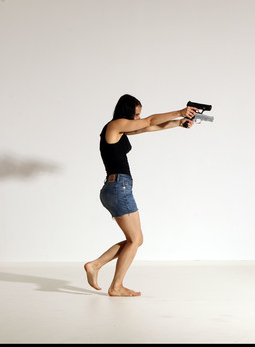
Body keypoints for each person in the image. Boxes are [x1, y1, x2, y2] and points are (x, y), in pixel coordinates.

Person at [84, 94, 197, 297]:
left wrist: (179, 122)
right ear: (126, 112)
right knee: (135, 240)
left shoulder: (120, 130)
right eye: (135, 115)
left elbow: (151, 127)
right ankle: (115, 286)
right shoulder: (116, 124)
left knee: (135, 239)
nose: (138, 119)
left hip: (116, 187)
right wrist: (180, 111)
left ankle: (95, 265)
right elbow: (151, 121)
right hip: (119, 187)